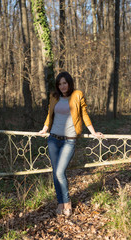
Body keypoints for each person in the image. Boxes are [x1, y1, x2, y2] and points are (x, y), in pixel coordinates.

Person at [39, 71, 103, 217]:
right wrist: (45, 128)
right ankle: (60, 203)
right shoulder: (54, 96)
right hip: (53, 139)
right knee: (55, 174)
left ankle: (67, 202)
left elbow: (84, 114)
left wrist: (93, 132)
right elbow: (50, 114)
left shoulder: (77, 95)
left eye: (65, 83)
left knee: (60, 172)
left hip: (69, 140)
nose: (62, 86)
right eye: (60, 84)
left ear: (69, 83)